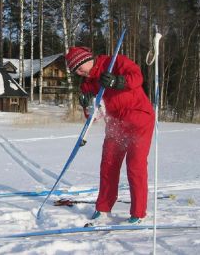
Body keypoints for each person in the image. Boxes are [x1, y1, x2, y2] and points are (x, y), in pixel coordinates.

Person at [65, 46, 155, 225]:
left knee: (135, 165)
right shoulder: (87, 84)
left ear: (87, 59)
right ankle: (103, 208)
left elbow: (137, 77)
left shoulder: (116, 62)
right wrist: (89, 107)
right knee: (108, 166)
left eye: (79, 67)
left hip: (139, 118)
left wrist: (117, 81)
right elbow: (95, 117)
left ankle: (138, 213)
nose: (79, 72)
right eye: (75, 71)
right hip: (115, 124)